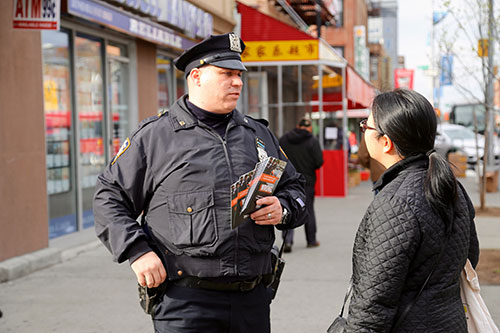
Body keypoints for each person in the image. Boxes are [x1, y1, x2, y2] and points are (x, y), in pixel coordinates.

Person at [93, 33, 307, 332]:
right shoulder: (156, 137)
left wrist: (282, 208)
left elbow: (296, 189)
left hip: (252, 299)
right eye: (226, 74)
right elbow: (109, 198)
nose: (238, 82)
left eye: (239, 74)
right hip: (185, 302)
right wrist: (136, 251)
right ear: (196, 76)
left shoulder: (258, 134)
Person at [345, 88, 479, 332]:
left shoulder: (395, 202)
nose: (363, 130)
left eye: (366, 126)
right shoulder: (452, 186)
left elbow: (373, 305)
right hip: (449, 322)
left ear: (386, 143)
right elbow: (470, 258)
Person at [279, 118, 323, 252]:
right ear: (309, 128)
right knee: (308, 209)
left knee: (288, 207)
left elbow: (278, 157)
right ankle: (311, 240)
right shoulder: (312, 141)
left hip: (287, 179)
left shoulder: (284, 139)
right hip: (307, 180)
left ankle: (287, 241)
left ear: (298, 126)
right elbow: (319, 162)